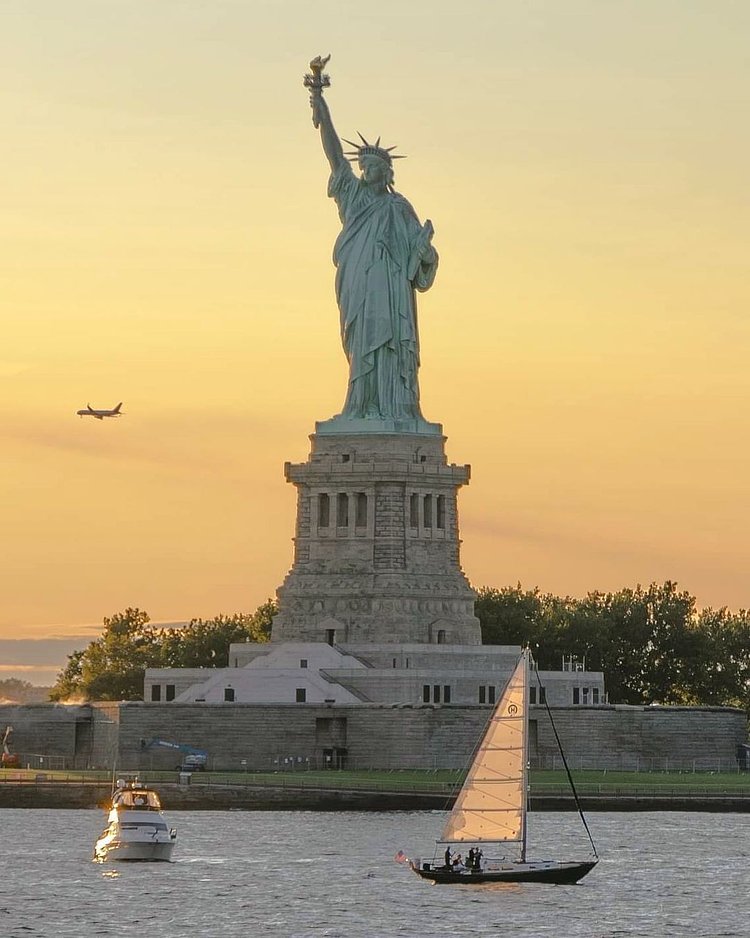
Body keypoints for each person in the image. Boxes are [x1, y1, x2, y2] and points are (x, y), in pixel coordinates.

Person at [308, 65, 438, 423]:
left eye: (372, 166)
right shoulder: (352, 197)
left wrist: (425, 252)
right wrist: (321, 105)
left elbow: (421, 261)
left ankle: (397, 408)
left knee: (392, 346)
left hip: (392, 289)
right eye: (362, 165)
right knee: (363, 341)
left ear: (387, 171)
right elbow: (334, 155)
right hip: (360, 283)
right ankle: (361, 406)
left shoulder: (399, 207)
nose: (366, 170)